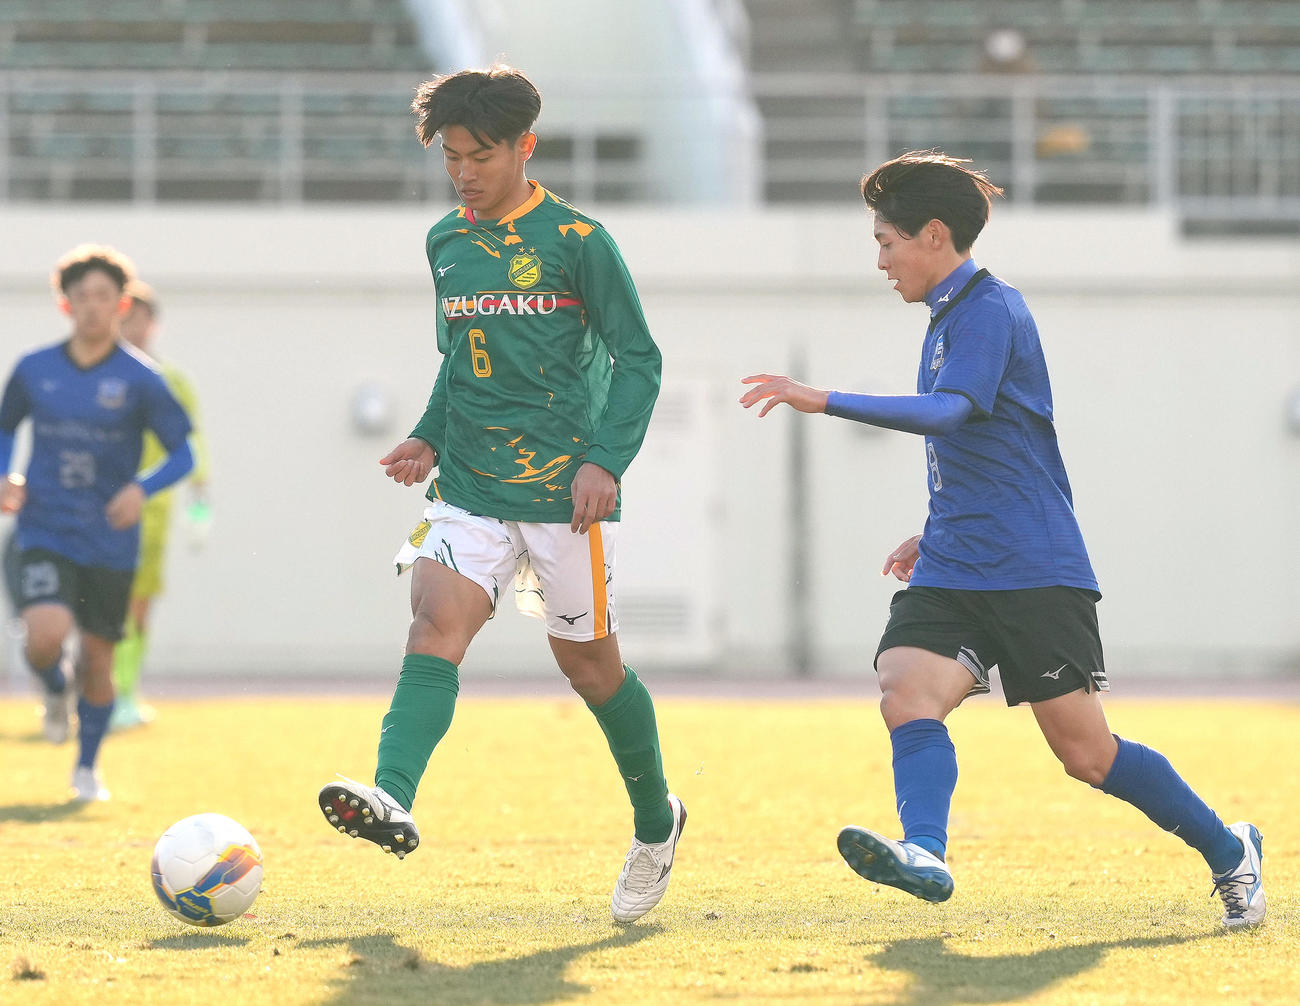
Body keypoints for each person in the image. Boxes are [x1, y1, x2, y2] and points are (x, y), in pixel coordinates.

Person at [738, 150, 1264, 929]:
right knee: (905, 688)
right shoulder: (951, 317)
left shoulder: (989, 310)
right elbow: (985, 441)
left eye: (887, 241)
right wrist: (936, 524)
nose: (880, 260)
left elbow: (953, 413)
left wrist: (825, 399)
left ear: (935, 235)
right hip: (958, 559)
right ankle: (925, 852)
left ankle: (1230, 851)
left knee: (1087, 755)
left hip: (1031, 566)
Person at [316, 66, 685, 924]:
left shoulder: (579, 240)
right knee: (433, 623)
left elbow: (641, 359)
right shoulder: (446, 240)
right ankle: (391, 796)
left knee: (590, 669)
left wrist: (605, 461)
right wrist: (427, 435)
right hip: (470, 485)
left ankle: (654, 822)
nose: (464, 173)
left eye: (480, 156)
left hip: (568, 493)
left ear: (525, 146)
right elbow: (461, 359)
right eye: (451, 157)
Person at [0, 245, 194, 801]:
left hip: (110, 540)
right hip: (44, 528)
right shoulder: (34, 369)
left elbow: (183, 455)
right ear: (66, 306)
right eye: (80, 297)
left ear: (122, 305)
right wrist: (6, 476)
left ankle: (86, 769)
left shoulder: (143, 380)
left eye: (102, 297)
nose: (91, 307)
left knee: (99, 659)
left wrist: (141, 487)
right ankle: (53, 689)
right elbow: (7, 428)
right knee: (45, 638)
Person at [110, 280, 211, 730]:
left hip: (152, 511)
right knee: (98, 601)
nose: (133, 327)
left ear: (153, 323)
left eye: (140, 318)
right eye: (125, 318)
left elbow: (192, 444)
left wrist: (201, 495)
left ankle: (124, 694)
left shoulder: (172, 382)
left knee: (139, 604)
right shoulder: (103, 375)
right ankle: (96, 690)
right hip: (103, 506)